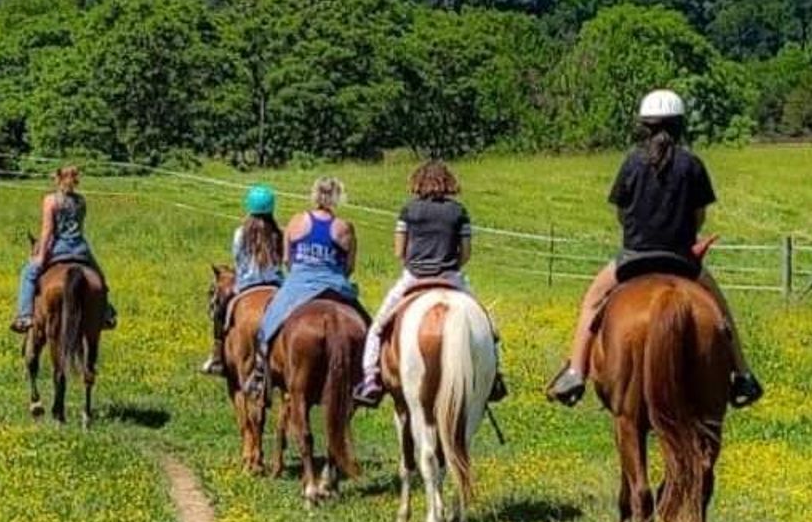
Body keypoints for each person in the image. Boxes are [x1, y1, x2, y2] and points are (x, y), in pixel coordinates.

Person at [545, 89, 762, 409]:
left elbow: (621, 212)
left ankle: (576, 372)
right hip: (681, 260)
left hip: (634, 258)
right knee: (719, 310)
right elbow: (699, 216)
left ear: (644, 126)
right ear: (679, 125)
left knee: (591, 303)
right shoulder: (693, 164)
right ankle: (742, 374)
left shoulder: (632, 163)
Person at [352, 160, 507, 407]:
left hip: (414, 277)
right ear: (448, 182)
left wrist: (416, 261)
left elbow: (398, 251)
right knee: (488, 326)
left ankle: (371, 377)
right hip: (450, 277)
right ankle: (495, 377)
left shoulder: (409, 211)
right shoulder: (459, 212)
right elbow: (465, 253)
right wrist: (449, 262)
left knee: (378, 327)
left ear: (418, 182)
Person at [244, 177, 360, 398]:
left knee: (268, 321)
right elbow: (349, 266)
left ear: (314, 194)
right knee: (367, 325)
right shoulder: (345, 227)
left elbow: (287, 260)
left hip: (299, 284)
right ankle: (367, 376)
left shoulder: (297, 222)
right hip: (335, 285)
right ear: (338, 197)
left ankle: (260, 371)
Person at [10, 165, 117, 333]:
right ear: (75, 180)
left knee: (28, 274)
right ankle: (106, 313)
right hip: (80, 248)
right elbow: (79, 226)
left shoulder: (50, 200)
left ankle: (24, 316)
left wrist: (41, 256)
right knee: (100, 278)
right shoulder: (81, 201)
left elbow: (47, 231)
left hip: (59, 247)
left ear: (58, 179)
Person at [199, 184, 285, 376]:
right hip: (276, 286)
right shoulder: (279, 234)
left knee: (220, 309)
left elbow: (238, 261)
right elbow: (282, 261)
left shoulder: (240, 233)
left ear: (249, 207)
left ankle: (217, 354)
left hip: (247, 284)